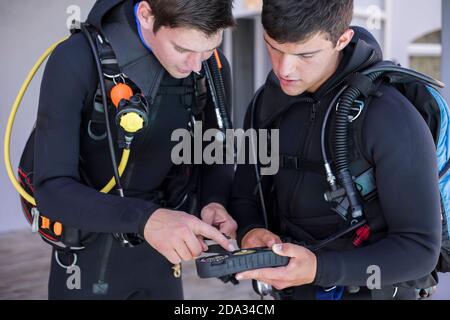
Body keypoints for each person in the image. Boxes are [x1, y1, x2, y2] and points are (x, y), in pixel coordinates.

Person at [230, 0, 442, 300]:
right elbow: (244, 196)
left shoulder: (389, 116)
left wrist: (319, 269)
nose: (283, 68)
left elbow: (420, 250)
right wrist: (251, 232)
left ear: (342, 39)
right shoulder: (267, 104)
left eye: (305, 54)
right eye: (274, 47)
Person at [33, 0, 237, 300]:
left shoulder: (211, 68)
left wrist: (214, 202)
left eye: (207, 49)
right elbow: (50, 188)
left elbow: (216, 154)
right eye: (182, 49)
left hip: (162, 251)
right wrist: (146, 220)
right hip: (86, 249)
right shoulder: (76, 59)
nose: (195, 64)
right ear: (145, 14)